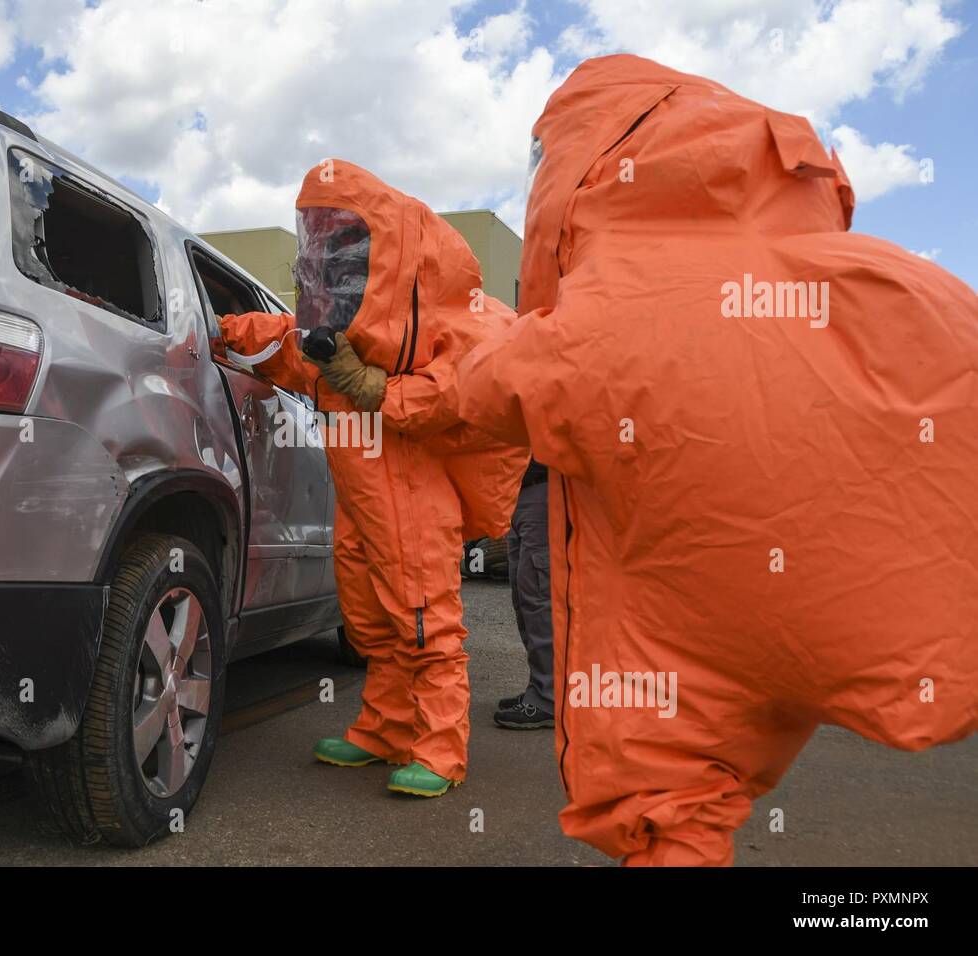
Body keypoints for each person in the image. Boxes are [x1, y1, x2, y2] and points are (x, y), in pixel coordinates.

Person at [458, 54, 978, 863]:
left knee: (673, 794)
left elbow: (501, 388)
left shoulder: (624, 300)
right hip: (804, 607)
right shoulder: (885, 283)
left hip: (675, 632)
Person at [218, 159, 526, 797]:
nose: (329, 263)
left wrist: (372, 387)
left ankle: (441, 749)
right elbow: (276, 342)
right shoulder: (329, 345)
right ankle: (384, 729)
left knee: (424, 621)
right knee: (371, 622)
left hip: (414, 497)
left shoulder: (446, 336)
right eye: (323, 247)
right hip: (360, 505)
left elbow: (456, 395)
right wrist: (214, 333)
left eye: (345, 249)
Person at [494, 458, 554, 730]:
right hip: (519, 491)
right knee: (525, 597)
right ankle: (539, 687)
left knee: (540, 600)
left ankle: (549, 696)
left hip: (543, 489)